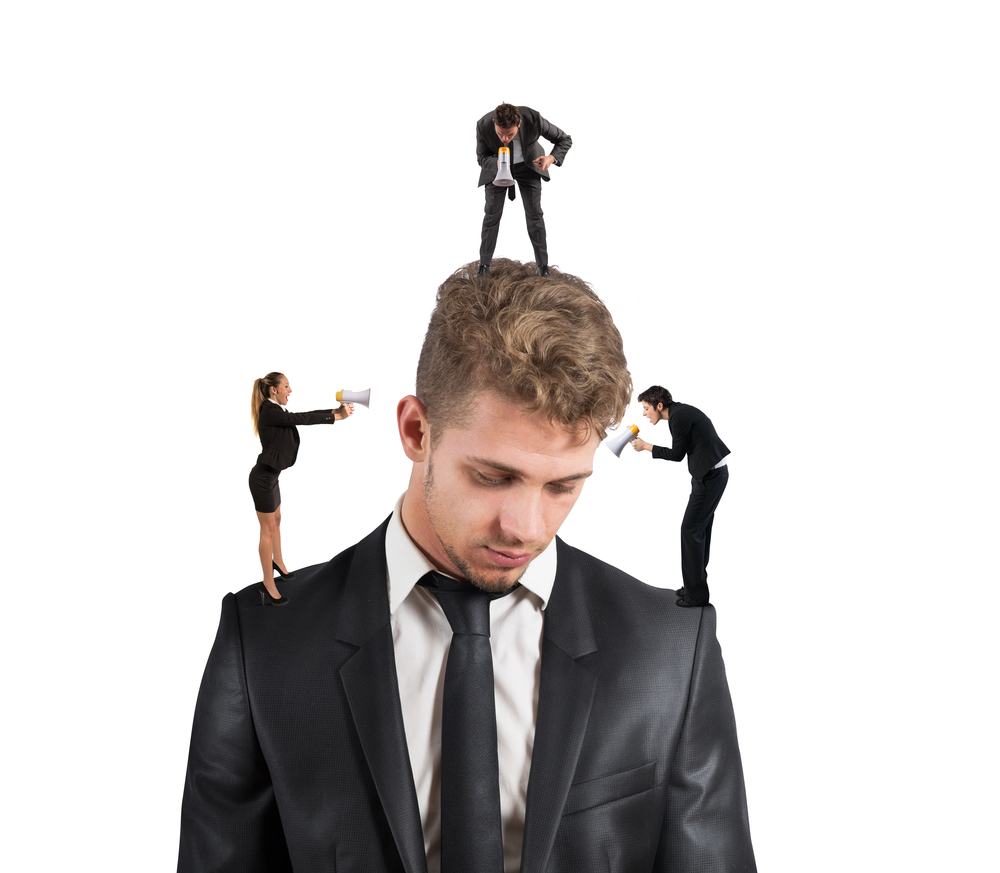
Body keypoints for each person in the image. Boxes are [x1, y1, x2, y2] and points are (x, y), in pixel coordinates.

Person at [179, 261, 755, 872]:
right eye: (493, 477)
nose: (526, 528)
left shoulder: (671, 648)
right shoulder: (263, 642)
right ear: (416, 430)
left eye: (563, 486)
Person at [248, 372, 354, 605]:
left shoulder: (274, 410)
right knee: (267, 531)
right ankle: (268, 584)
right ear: (274, 390)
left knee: (276, 521)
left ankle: (279, 563)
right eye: (286, 386)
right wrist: (336, 417)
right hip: (263, 480)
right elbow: (302, 418)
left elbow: (303, 416)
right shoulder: (270, 411)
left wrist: (336, 412)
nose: (290, 390)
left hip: (271, 477)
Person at [631, 387, 731, 608]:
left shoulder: (679, 416)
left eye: (646, 408)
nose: (644, 414)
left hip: (711, 477)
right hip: (708, 475)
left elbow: (677, 455)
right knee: (698, 531)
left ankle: (696, 596)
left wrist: (646, 446)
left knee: (690, 531)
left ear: (659, 405)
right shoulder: (679, 414)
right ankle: (694, 585)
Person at [475, 103, 572, 278]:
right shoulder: (483, 125)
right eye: (500, 134)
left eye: (510, 134)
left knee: (535, 214)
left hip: (529, 166)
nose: (504, 139)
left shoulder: (533, 119)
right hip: (497, 168)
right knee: (491, 216)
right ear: (493, 123)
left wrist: (551, 158)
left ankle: (543, 267)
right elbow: (481, 157)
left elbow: (564, 139)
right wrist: (496, 163)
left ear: (519, 123)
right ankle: (484, 267)